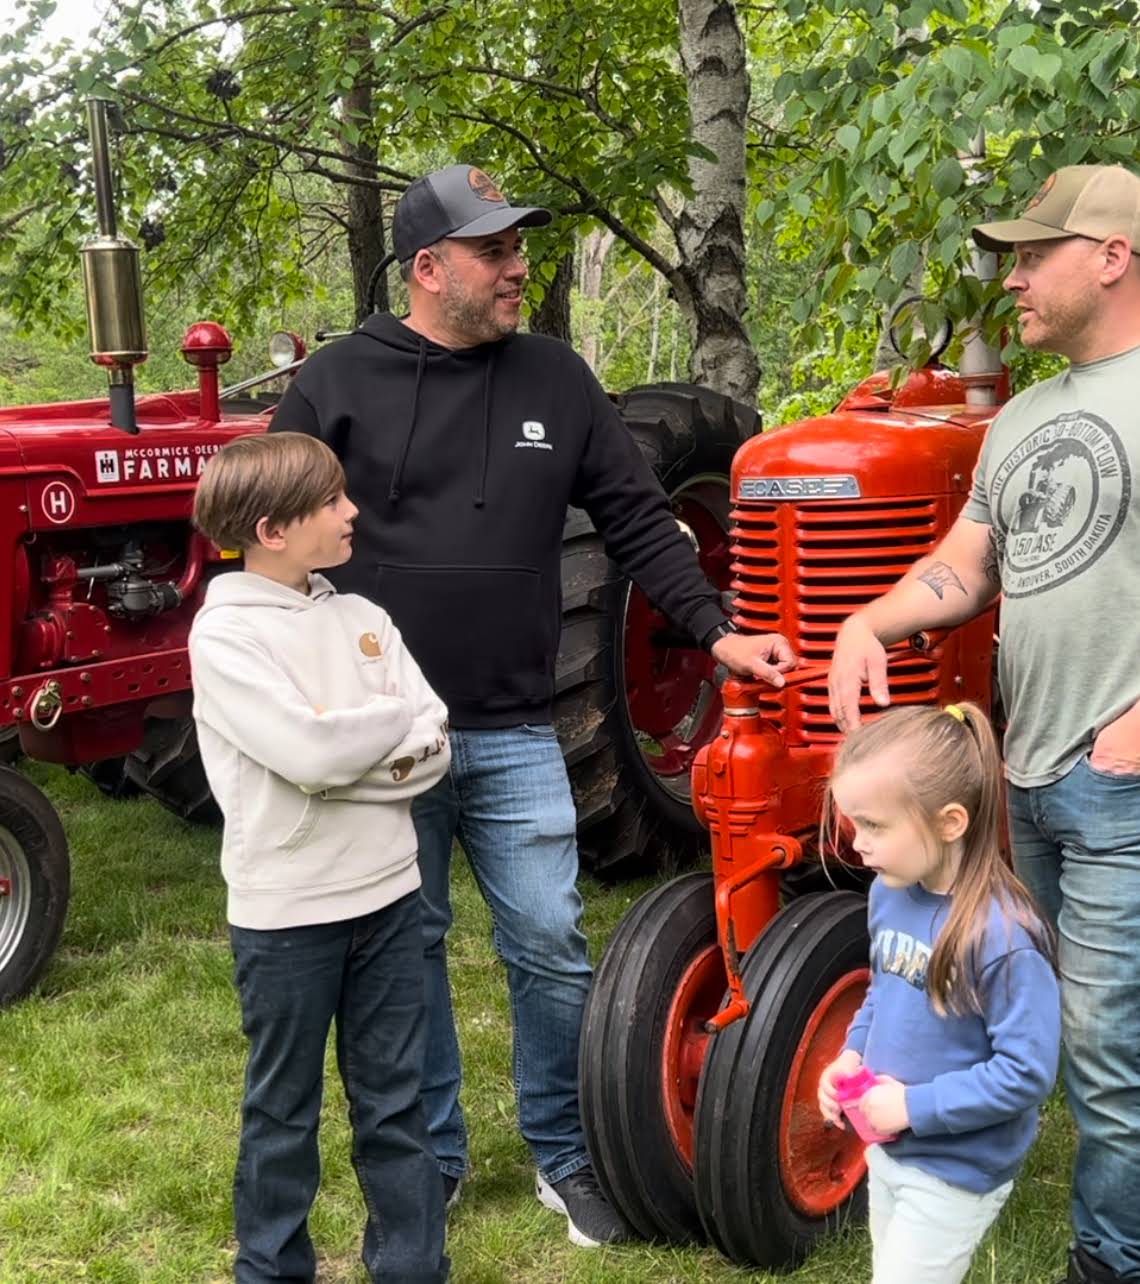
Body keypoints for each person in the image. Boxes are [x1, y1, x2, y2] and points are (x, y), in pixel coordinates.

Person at [268, 163, 798, 1245]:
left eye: (519, 248)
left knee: (551, 937)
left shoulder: (557, 382)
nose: (518, 267)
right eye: (494, 251)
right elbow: (269, 541)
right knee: (404, 949)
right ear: (428, 268)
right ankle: (437, 1158)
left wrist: (716, 629)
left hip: (514, 727)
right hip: (384, 740)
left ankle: (564, 1152)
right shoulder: (334, 384)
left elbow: (645, 523)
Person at [827, 163, 1140, 1284]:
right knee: (1033, 1013)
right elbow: (967, 565)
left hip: (1122, 776)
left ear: (1111, 257)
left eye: (1034, 253)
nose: (1013, 277)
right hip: (1035, 771)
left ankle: (1111, 1259)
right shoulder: (1025, 419)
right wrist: (873, 620)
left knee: (1107, 1049)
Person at [188, 432, 451, 1284]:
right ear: (271, 528)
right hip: (288, 916)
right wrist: (378, 727)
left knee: (397, 1106)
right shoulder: (225, 639)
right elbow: (308, 755)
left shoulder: (363, 618)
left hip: (390, 897)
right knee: (282, 1113)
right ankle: (270, 1271)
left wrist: (348, 752)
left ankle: (414, 1269)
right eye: (332, 501)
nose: (352, 512)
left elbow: (435, 737)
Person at [817, 702, 1060, 1284]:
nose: (857, 844)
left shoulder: (1001, 936)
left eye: (874, 826)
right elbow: (884, 991)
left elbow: (1027, 1073)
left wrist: (911, 1107)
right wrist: (853, 1053)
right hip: (889, 1146)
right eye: (855, 824)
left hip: (957, 1167)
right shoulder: (889, 893)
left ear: (950, 822)